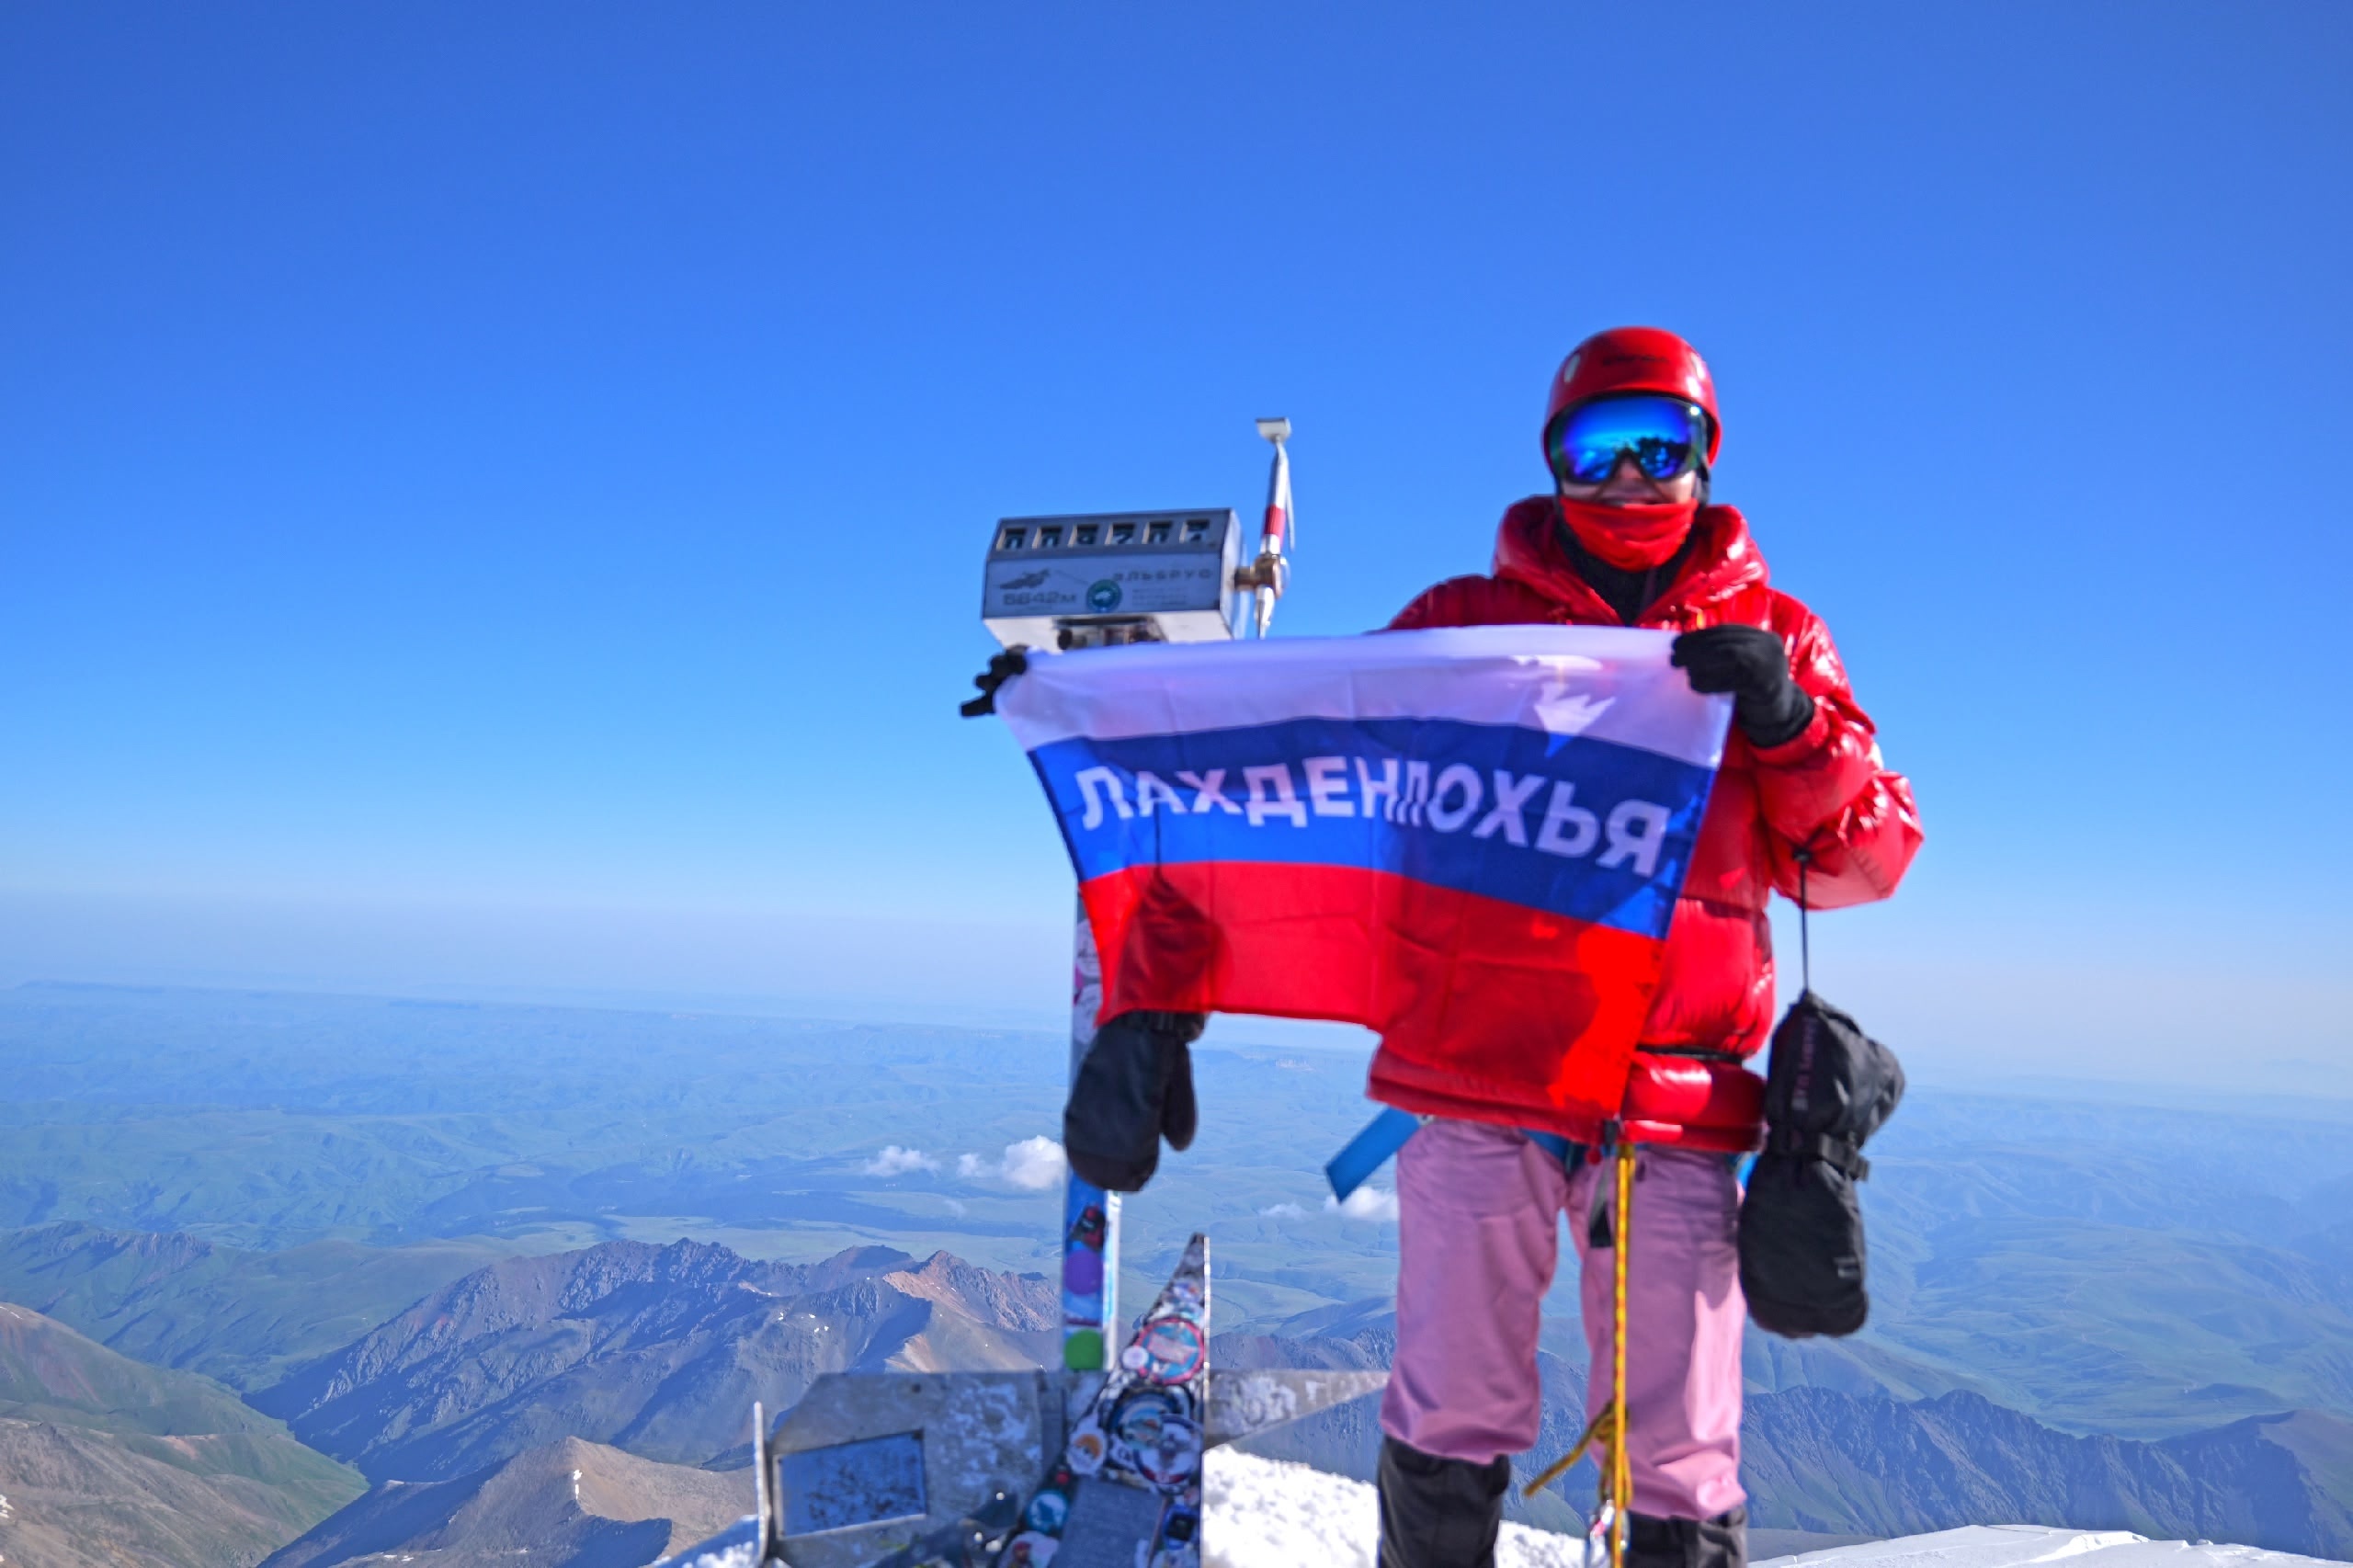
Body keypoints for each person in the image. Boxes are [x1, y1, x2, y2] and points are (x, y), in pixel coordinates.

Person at [1370, 326, 1922, 1568]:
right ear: (1552, 462)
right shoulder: (1467, 625)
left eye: (1657, 447)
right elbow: (1333, 759)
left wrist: (1788, 721)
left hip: (1672, 1097)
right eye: (1595, 447)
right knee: (1449, 1408)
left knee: (1682, 1445)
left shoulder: (1776, 631)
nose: (1627, 480)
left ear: (1706, 457)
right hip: (1484, 1080)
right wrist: (1086, 693)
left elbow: (1868, 856)